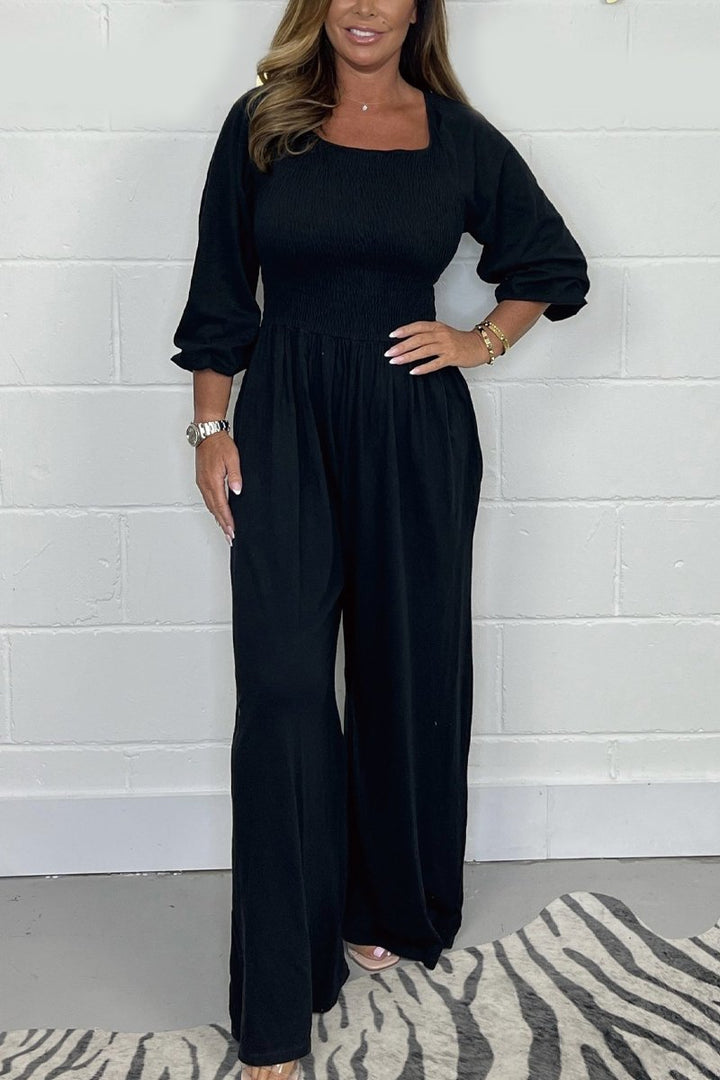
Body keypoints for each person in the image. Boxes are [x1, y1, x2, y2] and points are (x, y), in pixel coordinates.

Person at [170, 0, 590, 1075]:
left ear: (418, 7)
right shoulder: (264, 124)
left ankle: (387, 902)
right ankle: (279, 996)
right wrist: (212, 426)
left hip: (414, 430)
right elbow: (222, 287)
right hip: (284, 425)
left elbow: (551, 265)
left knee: (407, 672)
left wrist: (480, 341)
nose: (365, 7)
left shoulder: (458, 137)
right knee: (283, 690)